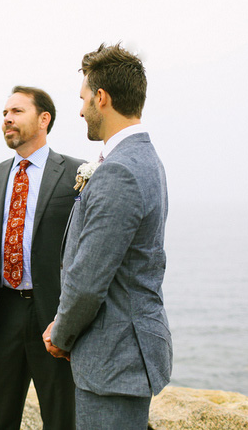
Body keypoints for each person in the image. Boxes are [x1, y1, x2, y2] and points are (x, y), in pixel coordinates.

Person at [43, 44, 172, 429]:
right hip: (124, 354)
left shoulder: (120, 171)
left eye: (83, 99)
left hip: (114, 358)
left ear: (102, 97)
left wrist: (61, 333)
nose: (80, 110)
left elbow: (89, 276)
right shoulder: (145, 158)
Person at [0, 86, 82, 429]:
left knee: (62, 416)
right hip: (3, 312)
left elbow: (83, 247)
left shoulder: (76, 174)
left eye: (17, 112)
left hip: (53, 314)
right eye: (4, 113)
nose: (7, 119)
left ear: (44, 119)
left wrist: (69, 316)